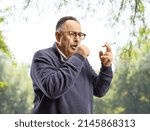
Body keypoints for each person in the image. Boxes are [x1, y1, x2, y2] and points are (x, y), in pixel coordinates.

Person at [30, 16, 113, 114]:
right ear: (58, 36)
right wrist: (78, 57)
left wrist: (106, 68)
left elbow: (99, 90)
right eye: (72, 34)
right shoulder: (42, 57)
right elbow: (52, 89)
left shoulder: (82, 62)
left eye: (80, 35)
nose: (77, 39)